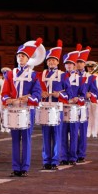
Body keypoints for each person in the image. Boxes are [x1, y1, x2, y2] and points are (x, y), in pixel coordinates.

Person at [1, 38, 43, 177]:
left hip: (27, 110)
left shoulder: (34, 75)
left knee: (26, 139)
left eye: (23, 56)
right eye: (19, 56)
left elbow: (37, 94)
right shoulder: (10, 74)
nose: (20, 58)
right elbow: (4, 93)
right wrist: (9, 100)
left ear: (28, 58)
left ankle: (24, 167)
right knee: (14, 140)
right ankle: (15, 167)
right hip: (14, 110)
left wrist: (28, 98)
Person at [39, 40, 69, 171]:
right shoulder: (42, 74)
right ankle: (46, 160)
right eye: (49, 60)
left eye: (54, 60)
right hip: (45, 107)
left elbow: (69, 93)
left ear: (58, 62)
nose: (51, 62)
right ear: (46, 62)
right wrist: (41, 93)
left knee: (57, 134)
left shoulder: (63, 75)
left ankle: (55, 160)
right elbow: (35, 89)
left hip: (57, 107)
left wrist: (60, 95)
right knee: (46, 135)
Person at [76, 47, 98, 162]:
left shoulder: (90, 77)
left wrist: (90, 95)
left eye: (81, 62)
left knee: (82, 130)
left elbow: (95, 93)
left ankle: (81, 153)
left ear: (84, 63)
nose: (79, 64)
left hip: (83, 106)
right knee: (71, 131)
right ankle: (71, 153)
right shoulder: (68, 75)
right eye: (77, 62)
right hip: (71, 106)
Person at [59, 48, 81, 166]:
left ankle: (73, 156)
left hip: (74, 108)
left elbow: (83, 94)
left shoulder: (80, 78)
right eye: (67, 64)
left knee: (73, 134)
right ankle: (63, 156)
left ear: (74, 65)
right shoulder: (60, 77)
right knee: (62, 134)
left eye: (71, 64)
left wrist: (78, 99)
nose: (69, 66)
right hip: (63, 108)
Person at [0, 67, 11, 133]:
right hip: (1, 96)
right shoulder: (0, 81)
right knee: (2, 112)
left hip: (9, 97)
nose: (5, 74)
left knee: (8, 112)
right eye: (4, 73)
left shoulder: (11, 80)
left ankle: (8, 127)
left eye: (6, 73)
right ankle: (2, 126)